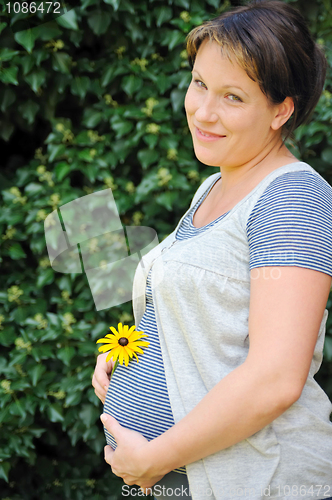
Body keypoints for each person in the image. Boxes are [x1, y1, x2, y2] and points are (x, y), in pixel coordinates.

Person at [92, 1, 332, 499]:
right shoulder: (212, 188)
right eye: (200, 83)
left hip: (260, 483)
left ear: (281, 110)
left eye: (233, 97)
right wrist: (132, 358)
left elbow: (276, 378)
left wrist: (156, 457)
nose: (204, 111)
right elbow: (203, 319)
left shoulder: (290, 195)